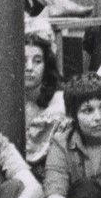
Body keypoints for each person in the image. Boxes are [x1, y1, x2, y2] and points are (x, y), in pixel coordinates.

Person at [22, 32, 67, 170]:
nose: (29, 68)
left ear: (46, 65)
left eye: (37, 61)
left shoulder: (60, 100)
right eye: (23, 60)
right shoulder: (3, 98)